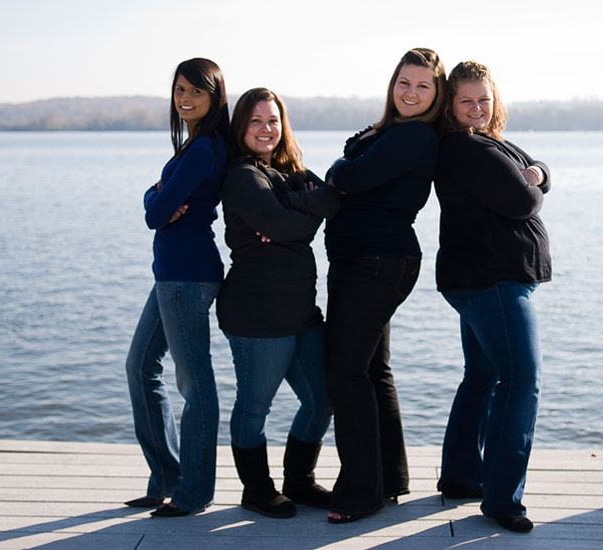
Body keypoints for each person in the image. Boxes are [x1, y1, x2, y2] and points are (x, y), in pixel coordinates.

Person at [323, 48, 447, 523]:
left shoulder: (414, 136)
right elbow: (355, 166)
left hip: (375, 263)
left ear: (436, 95)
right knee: (373, 369)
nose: (411, 93)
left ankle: (360, 492)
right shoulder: (395, 131)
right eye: (404, 83)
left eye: (423, 86)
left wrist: (341, 167)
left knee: (345, 373)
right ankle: (389, 478)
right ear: (392, 84)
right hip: (373, 260)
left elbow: (351, 174)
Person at [434, 61, 552, 533]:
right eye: (466, 101)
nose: (477, 107)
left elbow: (537, 169)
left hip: (484, 278)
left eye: (484, 98)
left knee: (482, 376)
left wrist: (536, 172)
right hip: (493, 280)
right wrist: (533, 182)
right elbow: (524, 201)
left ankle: (463, 475)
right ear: (451, 104)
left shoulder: (488, 142)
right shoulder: (466, 148)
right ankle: (503, 500)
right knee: (522, 380)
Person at [218, 88, 339, 519]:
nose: (266, 129)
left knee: (322, 398)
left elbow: (331, 199)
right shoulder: (242, 176)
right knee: (254, 405)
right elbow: (282, 224)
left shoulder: (288, 171)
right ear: (241, 128)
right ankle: (258, 490)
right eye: (255, 121)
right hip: (257, 313)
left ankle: (299, 482)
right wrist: (297, 217)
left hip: (302, 311)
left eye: (272, 120)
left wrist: (294, 210)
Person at [123, 58, 231, 518]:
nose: (185, 100)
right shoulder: (192, 148)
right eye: (179, 90)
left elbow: (153, 214)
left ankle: (194, 491)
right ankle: (166, 475)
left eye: (196, 92)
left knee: (194, 383)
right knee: (140, 366)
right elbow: (157, 205)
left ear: (214, 97)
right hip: (172, 274)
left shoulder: (205, 149)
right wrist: (158, 195)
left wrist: (158, 198)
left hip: (187, 275)